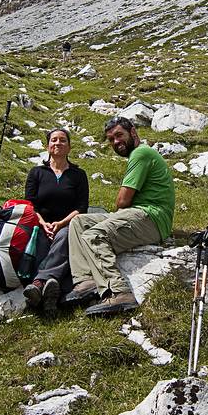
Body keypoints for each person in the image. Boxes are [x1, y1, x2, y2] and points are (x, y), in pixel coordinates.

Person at [66, 116, 175, 316]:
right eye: (111, 139)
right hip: (139, 214)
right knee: (78, 222)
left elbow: (122, 201)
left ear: (133, 132)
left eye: (119, 135)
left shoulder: (141, 153)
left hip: (151, 217)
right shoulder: (140, 155)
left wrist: (117, 212)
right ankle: (86, 281)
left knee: (94, 235)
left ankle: (118, 292)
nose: (116, 142)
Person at [22, 128, 88, 314]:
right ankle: (53, 291)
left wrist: (60, 224)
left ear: (69, 147)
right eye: (54, 140)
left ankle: (38, 284)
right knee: (41, 249)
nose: (58, 143)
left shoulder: (78, 175)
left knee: (64, 237)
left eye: (62, 140)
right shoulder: (37, 173)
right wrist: (43, 223)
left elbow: (82, 207)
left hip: (68, 224)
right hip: (40, 223)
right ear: (47, 146)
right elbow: (29, 204)